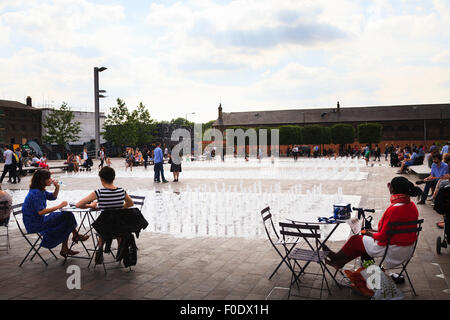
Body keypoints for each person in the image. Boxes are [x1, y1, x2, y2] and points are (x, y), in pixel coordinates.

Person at [325, 176, 422, 270]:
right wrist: (373, 231)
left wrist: (369, 233)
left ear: (392, 189)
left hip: (392, 248)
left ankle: (336, 258)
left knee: (356, 240)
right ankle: (339, 262)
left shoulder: (395, 209)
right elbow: (394, 230)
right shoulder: (412, 206)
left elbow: (382, 237)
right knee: (361, 244)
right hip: (407, 248)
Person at [22, 169, 89, 257]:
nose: (51, 179)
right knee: (67, 217)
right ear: (42, 180)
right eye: (49, 178)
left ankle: (69, 243)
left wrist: (57, 187)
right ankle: (73, 239)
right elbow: (41, 212)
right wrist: (58, 206)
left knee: (67, 216)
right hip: (35, 224)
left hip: (39, 220)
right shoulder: (36, 193)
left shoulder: (39, 191)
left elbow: (53, 197)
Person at [75, 166, 134, 264]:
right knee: (116, 223)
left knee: (104, 224)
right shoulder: (121, 191)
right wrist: (119, 207)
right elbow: (130, 203)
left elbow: (78, 204)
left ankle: (100, 249)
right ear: (113, 178)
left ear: (101, 179)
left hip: (105, 228)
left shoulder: (99, 192)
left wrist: (92, 205)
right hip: (120, 227)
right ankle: (120, 249)